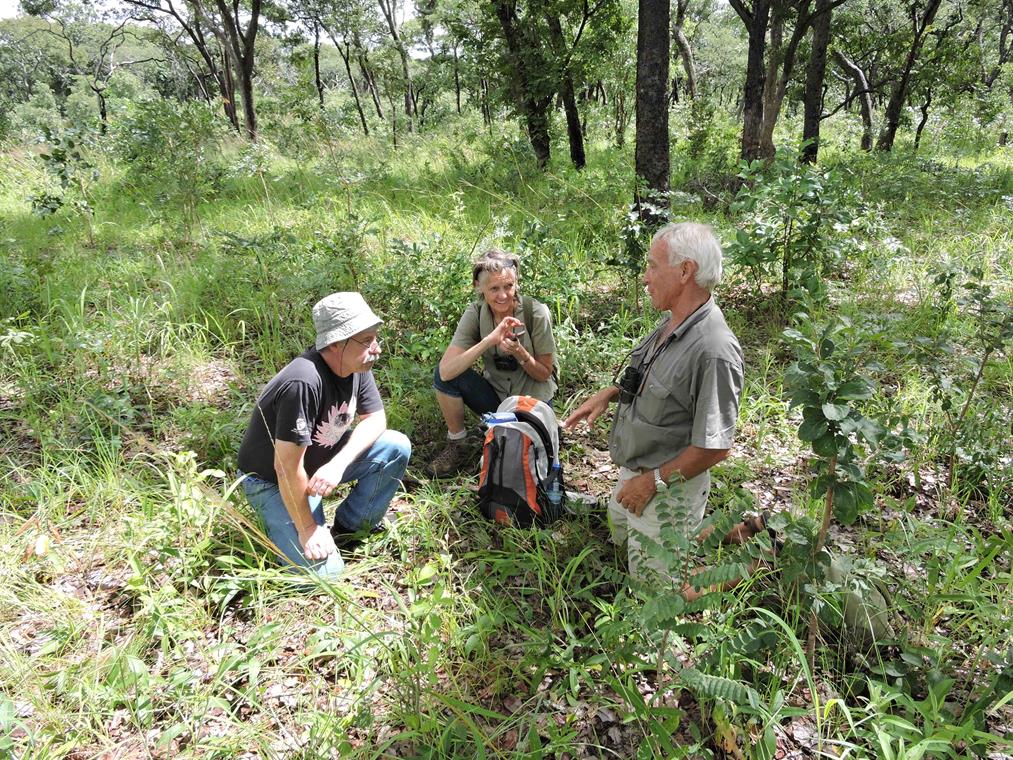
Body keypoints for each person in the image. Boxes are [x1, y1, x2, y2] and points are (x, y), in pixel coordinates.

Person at [564, 222, 744, 579]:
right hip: (636, 469)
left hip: (668, 484)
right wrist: (612, 393)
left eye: (652, 266)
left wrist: (653, 483)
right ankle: (725, 533)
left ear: (685, 271)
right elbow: (660, 383)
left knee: (654, 600)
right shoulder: (673, 322)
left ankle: (753, 567)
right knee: (618, 541)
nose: (645, 278)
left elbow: (716, 448)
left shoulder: (714, 349)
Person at [237, 292, 411, 579]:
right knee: (325, 575)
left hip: (316, 465)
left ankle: (351, 528)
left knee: (395, 445)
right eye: (366, 340)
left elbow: (376, 418)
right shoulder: (303, 381)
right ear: (336, 343)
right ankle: (288, 526)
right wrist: (308, 530)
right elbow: (286, 468)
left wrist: (337, 464)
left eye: (374, 338)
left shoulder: (354, 365)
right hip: (271, 481)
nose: (376, 348)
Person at [429, 249, 557, 477]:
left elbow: (544, 373)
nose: (503, 295)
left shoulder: (535, 313)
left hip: (532, 403)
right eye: (494, 288)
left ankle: (533, 432)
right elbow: (447, 372)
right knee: (443, 376)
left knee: (515, 461)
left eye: (508, 286)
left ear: (516, 283)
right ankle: (458, 443)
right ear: (478, 287)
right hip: (497, 399)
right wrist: (490, 340)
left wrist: (520, 352)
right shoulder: (476, 313)